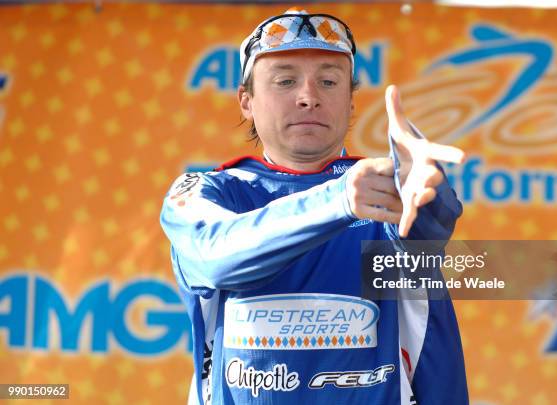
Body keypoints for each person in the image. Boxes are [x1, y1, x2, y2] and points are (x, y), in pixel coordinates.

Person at [161, 9, 468, 405]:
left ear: (351, 101)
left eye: (328, 81)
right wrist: (339, 200)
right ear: (246, 101)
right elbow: (214, 255)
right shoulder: (209, 191)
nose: (308, 97)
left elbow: (427, 233)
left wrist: (429, 189)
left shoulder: (381, 186)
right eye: (285, 81)